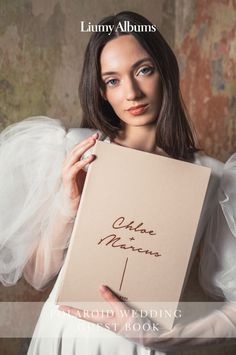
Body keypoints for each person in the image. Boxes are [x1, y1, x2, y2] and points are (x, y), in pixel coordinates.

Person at [0, 10, 235, 355]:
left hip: (144, 346)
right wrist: (68, 204)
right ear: (102, 91)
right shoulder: (76, 150)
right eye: (113, 80)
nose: (132, 92)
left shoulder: (214, 177)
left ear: (165, 70)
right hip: (65, 335)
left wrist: (165, 337)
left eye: (143, 70)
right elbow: (38, 275)